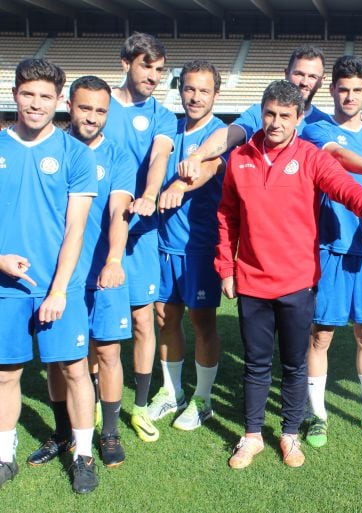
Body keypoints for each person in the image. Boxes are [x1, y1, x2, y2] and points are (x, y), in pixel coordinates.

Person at [216, 80, 362, 469]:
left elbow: (347, 189)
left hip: (298, 282)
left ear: (299, 118)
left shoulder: (312, 157)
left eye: (285, 115)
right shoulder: (239, 159)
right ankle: (251, 436)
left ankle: (289, 434)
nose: (275, 122)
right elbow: (227, 217)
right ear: (261, 113)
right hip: (251, 281)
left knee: (296, 363)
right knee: (255, 362)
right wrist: (226, 268)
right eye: (269, 114)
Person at [27, 75, 134, 470]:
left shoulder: (118, 157)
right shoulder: (50, 149)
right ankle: (62, 433)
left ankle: (108, 432)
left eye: (101, 110)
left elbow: (119, 211)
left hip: (103, 274)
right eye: (85, 107)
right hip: (59, 278)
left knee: (107, 352)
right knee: (58, 359)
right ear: (68, 105)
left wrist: (114, 260)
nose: (92, 117)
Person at [0, 59, 98, 493]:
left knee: (75, 370)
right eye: (28, 94)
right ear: (15, 93)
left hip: (62, 287)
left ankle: (82, 454)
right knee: (5, 374)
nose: (35, 104)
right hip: (6, 286)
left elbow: (75, 228)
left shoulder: (74, 152)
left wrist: (58, 288)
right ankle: (5, 454)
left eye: (45, 96)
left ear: (59, 100)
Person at [302, 56, 362, 447]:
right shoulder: (316, 128)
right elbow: (337, 159)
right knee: (320, 336)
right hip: (330, 246)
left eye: (357, 89)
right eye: (343, 89)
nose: (349, 96)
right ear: (332, 91)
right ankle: (317, 415)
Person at [102, 32, 177, 442]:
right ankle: (96, 404)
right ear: (125, 63)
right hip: (98, 230)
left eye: (160, 70)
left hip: (142, 230)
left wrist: (149, 195)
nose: (154, 76)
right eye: (147, 66)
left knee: (143, 319)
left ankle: (140, 406)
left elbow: (159, 157)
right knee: (99, 320)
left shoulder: (162, 115)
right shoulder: (101, 103)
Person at [146, 60, 227, 432]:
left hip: (199, 246)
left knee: (202, 321)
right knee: (165, 317)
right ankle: (172, 391)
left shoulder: (220, 134)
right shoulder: (168, 130)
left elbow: (209, 167)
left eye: (204, 90)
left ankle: (204, 399)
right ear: (180, 90)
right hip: (161, 242)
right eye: (190, 89)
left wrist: (181, 185)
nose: (195, 97)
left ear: (216, 94)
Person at [177, 45, 332, 182]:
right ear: (286, 73)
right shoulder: (260, 112)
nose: (304, 82)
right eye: (298, 74)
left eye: (312, 76)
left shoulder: (324, 123)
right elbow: (229, 135)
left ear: (322, 80)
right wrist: (197, 156)